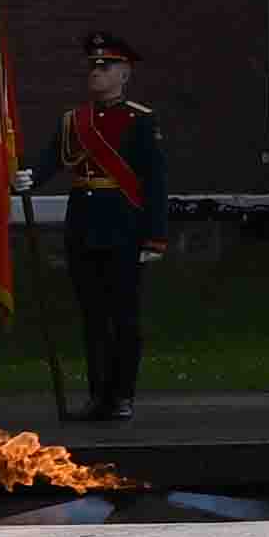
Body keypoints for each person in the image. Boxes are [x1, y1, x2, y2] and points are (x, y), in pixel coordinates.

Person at [52, 34, 166, 417]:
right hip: (83, 228)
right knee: (93, 317)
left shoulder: (140, 119)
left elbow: (155, 182)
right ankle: (98, 395)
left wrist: (155, 237)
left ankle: (122, 396)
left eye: (105, 66)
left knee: (124, 317)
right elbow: (50, 160)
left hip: (124, 228)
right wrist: (24, 176)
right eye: (93, 66)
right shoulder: (74, 121)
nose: (96, 72)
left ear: (125, 74)